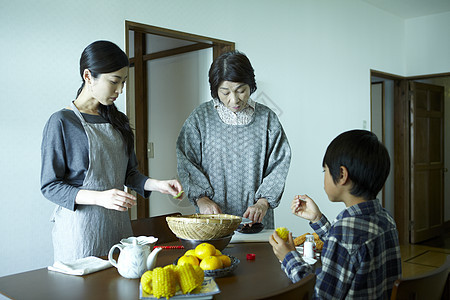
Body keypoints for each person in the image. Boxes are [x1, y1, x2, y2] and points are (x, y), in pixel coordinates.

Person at [41, 40, 183, 263]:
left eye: (124, 82)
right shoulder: (62, 122)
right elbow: (50, 186)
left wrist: (158, 184)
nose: (120, 90)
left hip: (117, 228)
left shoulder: (118, 121)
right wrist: (100, 198)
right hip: (79, 233)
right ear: (88, 76)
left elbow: (129, 174)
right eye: (114, 82)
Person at [269, 130, 402, 299]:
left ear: (341, 175)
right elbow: (349, 249)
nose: (324, 176)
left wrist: (288, 258)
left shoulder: (345, 230)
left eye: (325, 170)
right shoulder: (386, 219)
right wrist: (317, 219)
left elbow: (320, 296)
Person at [176, 50, 291, 229]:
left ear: (250, 85)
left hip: (256, 219)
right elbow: (186, 160)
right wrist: (202, 199)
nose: (234, 100)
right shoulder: (201, 117)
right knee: (211, 257)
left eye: (241, 90)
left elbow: (279, 164)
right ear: (215, 90)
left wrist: (263, 202)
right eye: (225, 92)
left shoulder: (267, 118)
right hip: (213, 219)